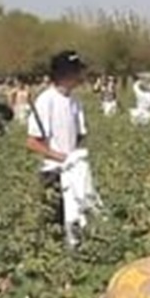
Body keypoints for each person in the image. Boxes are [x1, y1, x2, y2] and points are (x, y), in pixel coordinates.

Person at [27, 50, 90, 238]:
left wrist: (76, 158)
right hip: (53, 173)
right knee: (54, 225)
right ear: (66, 74)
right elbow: (32, 142)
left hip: (74, 172)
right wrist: (62, 157)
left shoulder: (75, 102)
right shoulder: (46, 101)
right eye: (77, 72)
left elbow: (80, 135)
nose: (80, 76)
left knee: (76, 221)